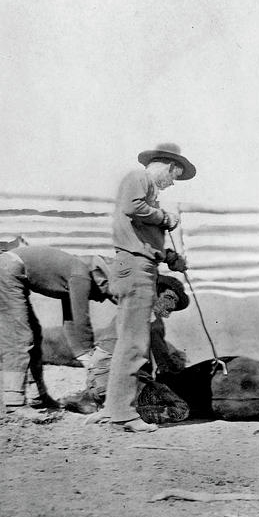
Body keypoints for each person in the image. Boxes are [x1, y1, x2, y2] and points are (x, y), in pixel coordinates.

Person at [87, 143, 195, 433]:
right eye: (175, 176)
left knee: (127, 341)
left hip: (135, 265)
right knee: (135, 342)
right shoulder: (140, 178)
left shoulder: (149, 193)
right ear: (169, 167)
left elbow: (145, 237)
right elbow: (132, 207)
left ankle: (113, 407)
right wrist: (165, 218)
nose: (173, 183)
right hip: (136, 268)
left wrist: (172, 259)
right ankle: (123, 414)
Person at [0, 245, 115, 422]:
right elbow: (80, 319)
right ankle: (14, 403)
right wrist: (89, 358)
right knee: (19, 337)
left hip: (10, 271)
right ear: (101, 280)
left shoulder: (77, 272)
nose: (99, 299)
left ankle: (39, 397)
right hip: (7, 272)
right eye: (103, 294)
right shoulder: (81, 275)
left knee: (35, 334)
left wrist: (83, 353)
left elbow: (69, 321)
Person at [60, 275, 190, 414]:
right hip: (117, 382)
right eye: (169, 297)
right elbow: (164, 364)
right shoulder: (153, 320)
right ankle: (122, 413)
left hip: (97, 381)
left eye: (174, 302)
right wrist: (177, 367)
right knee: (180, 409)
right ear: (156, 291)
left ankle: (98, 403)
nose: (172, 306)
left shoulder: (130, 309)